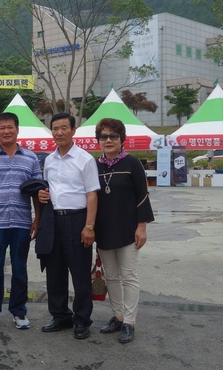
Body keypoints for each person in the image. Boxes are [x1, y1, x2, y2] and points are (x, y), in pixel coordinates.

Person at [36, 113, 100, 339]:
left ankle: (81, 320)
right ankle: (60, 316)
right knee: (55, 272)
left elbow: (92, 195)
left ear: (74, 130)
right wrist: (43, 195)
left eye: (64, 127)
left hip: (77, 220)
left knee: (80, 273)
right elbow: (49, 188)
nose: (59, 132)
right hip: (53, 219)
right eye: (55, 128)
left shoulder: (85, 159)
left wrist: (89, 227)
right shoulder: (49, 160)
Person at [0, 112, 42, 330]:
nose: (6, 131)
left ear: (17, 129)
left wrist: (37, 220)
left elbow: (37, 192)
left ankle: (19, 311)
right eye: (2, 127)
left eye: (10, 127)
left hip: (22, 223)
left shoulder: (31, 158)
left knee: (20, 268)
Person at [93, 118, 154, 344]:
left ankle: (129, 321)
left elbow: (142, 197)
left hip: (128, 231)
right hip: (104, 231)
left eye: (113, 136)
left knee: (129, 277)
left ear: (122, 139)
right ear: (98, 140)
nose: (108, 140)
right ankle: (117, 316)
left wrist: (142, 228)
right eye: (103, 136)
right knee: (112, 276)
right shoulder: (95, 166)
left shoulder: (133, 164)